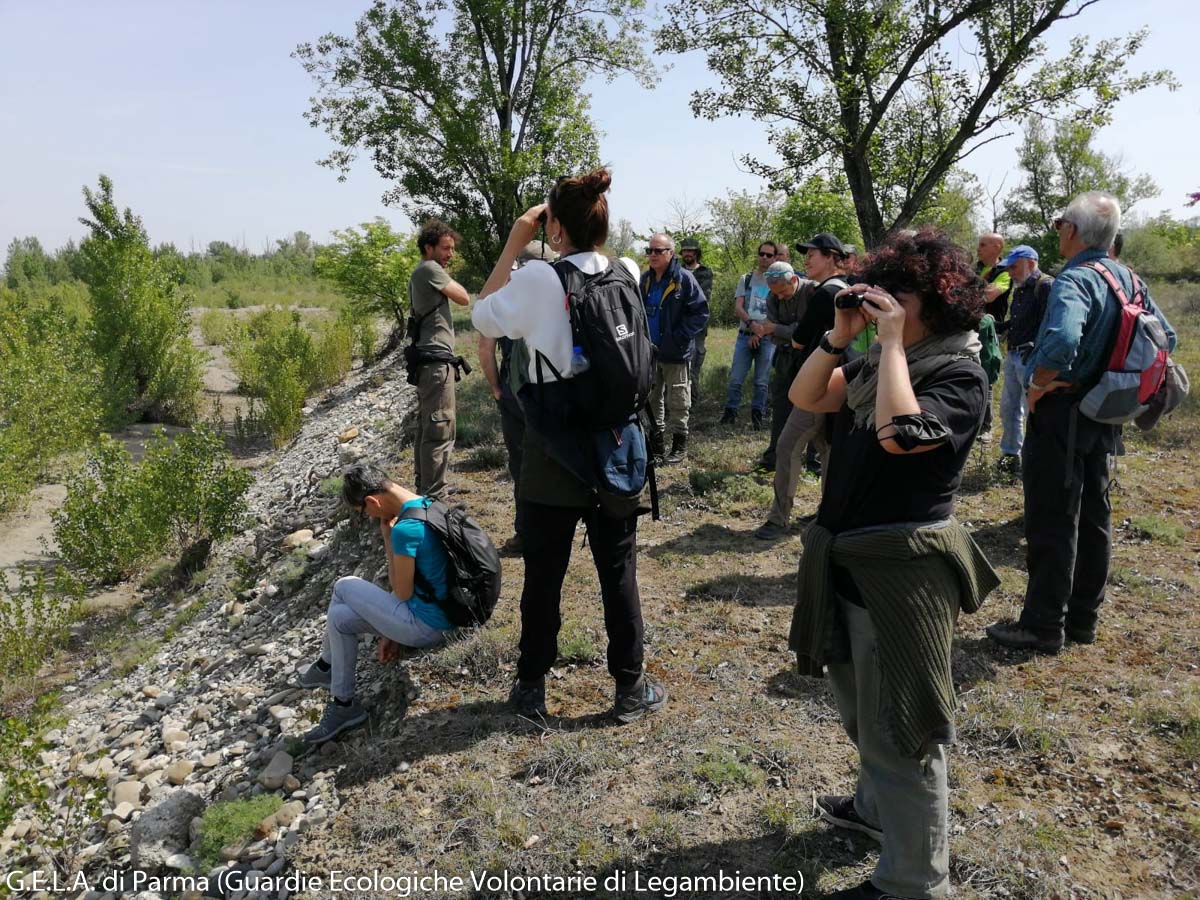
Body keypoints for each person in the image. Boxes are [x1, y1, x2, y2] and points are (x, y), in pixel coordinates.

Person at [788, 229, 999, 900]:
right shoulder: (889, 360)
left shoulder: (958, 372)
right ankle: (878, 813)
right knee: (863, 714)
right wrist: (839, 336)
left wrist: (885, 344)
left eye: (896, 294)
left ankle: (914, 881)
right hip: (852, 561)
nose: (882, 303)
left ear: (938, 303)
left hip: (904, 574)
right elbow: (807, 397)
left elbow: (900, 434)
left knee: (903, 728)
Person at [471, 168, 668, 723]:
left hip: (554, 453)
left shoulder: (535, 277)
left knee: (544, 574)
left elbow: (481, 313)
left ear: (553, 226)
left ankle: (531, 687)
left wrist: (516, 238)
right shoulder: (627, 270)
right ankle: (630, 689)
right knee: (619, 571)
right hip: (617, 446)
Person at [986, 192, 1176, 653]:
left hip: (1063, 413)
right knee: (1094, 516)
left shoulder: (1075, 279)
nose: (1057, 233)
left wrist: (1038, 384)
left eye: (1059, 225)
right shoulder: (1128, 277)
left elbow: (1062, 340)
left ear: (1071, 230)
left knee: (1051, 517)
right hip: (1104, 412)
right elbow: (1165, 335)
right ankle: (1083, 621)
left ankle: (1043, 625)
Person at [297, 465, 454, 744]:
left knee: (344, 586)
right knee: (340, 618)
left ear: (372, 501)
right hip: (443, 613)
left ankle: (327, 667)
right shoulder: (428, 505)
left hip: (428, 626)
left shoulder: (406, 529)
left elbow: (401, 592)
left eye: (363, 512)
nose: (368, 517)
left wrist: (387, 538)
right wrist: (387, 629)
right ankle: (342, 702)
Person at [754, 238, 848, 538]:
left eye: (812, 255)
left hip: (820, 382)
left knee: (787, 445)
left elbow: (798, 339)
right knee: (825, 448)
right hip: (837, 380)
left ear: (832, 257)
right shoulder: (844, 290)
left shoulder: (825, 294)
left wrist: (786, 335)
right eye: (805, 255)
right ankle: (830, 515)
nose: (806, 260)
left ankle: (778, 519)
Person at [477, 241, 558, 554]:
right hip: (552, 392)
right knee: (554, 461)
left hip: (516, 395)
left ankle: (526, 534)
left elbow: (485, 350)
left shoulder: (503, 299)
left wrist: (497, 388)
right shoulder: (562, 292)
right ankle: (557, 530)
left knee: (522, 465)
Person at [407, 220, 471, 499]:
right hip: (435, 363)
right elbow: (464, 297)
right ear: (428, 247)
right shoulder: (429, 269)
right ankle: (435, 498)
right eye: (445, 248)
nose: (450, 254)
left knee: (428, 428)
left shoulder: (423, 271)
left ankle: (427, 489)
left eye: (452, 249)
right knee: (439, 429)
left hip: (430, 362)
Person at [640, 234, 710, 463]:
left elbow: (700, 313)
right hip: (650, 352)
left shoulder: (684, 279)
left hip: (676, 352)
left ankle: (680, 443)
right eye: (649, 251)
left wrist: (680, 337)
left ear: (671, 253)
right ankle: (656, 443)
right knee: (652, 398)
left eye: (658, 251)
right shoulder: (645, 280)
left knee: (679, 399)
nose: (652, 255)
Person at [994, 246, 1053, 473]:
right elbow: (1017, 322)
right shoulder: (1019, 289)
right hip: (1013, 354)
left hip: (1031, 359)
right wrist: (996, 324)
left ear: (1030, 262)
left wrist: (1036, 354)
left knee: (1034, 411)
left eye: (1014, 266)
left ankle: (1036, 459)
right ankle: (1011, 456)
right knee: (1009, 408)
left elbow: (1049, 326)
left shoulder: (1045, 286)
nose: (1010, 272)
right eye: (1008, 267)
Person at [721, 241, 778, 427]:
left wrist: (760, 333)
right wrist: (752, 325)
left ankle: (757, 415)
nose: (764, 258)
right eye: (762, 253)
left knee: (762, 381)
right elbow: (738, 307)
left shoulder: (778, 282)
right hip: (744, 334)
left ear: (775, 258)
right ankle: (730, 413)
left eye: (769, 255)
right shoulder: (746, 279)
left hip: (768, 338)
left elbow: (778, 313)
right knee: (736, 378)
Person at [975, 233, 1011, 442]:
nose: (978, 248)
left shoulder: (1005, 272)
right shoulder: (975, 268)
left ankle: (986, 427)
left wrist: (969, 289)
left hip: (989, 332)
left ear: (997, 247)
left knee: (985, 376)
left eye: (983, 245)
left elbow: (989, 295)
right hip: (968, 327)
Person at [679, 238, 714, 402]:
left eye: (690, 251)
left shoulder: (705, 272)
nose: (687, 254)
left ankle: (693, 397)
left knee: (696, 360)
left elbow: (702, 298)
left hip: (698, 326)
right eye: (685, 250)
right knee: (680, 362)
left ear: (696, 253)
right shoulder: (676, 271)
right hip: (679, 324)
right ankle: (681, 398)